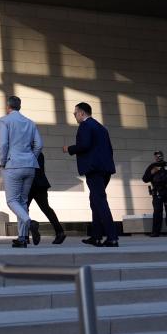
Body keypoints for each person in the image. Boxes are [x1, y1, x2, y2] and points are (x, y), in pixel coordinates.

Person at [63, 102, 119, 247]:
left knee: (99, 201)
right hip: (105, 169)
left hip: (94, 169)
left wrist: (69, 148)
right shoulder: (101, 127)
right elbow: (109, 149)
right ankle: (96, 236)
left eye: (75, 113)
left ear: (82, 113)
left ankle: (112, 237)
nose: (74, 115)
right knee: (95, 201)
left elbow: (84, 145)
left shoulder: (85, 126)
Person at [0, 96, 43, 248]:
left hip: (13, 165)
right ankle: (22, 238)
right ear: (20, 106)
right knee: (23, 202)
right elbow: (39, 145)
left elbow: (3, 144)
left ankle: (30, 223)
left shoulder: (4, 120)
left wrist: (2, 162)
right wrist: (31, 158)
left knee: (12, 201)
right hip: (30, 165)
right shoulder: (30, 122)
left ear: (8, 106)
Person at [28, 152, 66, 244]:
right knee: (46, 208)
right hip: (40, 184)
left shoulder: (25, 152)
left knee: (22, 209)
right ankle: (60, 232)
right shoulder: (39, 153)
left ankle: (25, 236)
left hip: (29, 184)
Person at [141, 150, 167, 237]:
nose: (158, 157)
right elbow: (144, 179)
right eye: (157, 156)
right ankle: (155, 232)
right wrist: (152, 173)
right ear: (154, 157)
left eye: (160, 155)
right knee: (157, 211)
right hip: (157, 192)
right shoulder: (152, 166)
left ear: (163, 156)